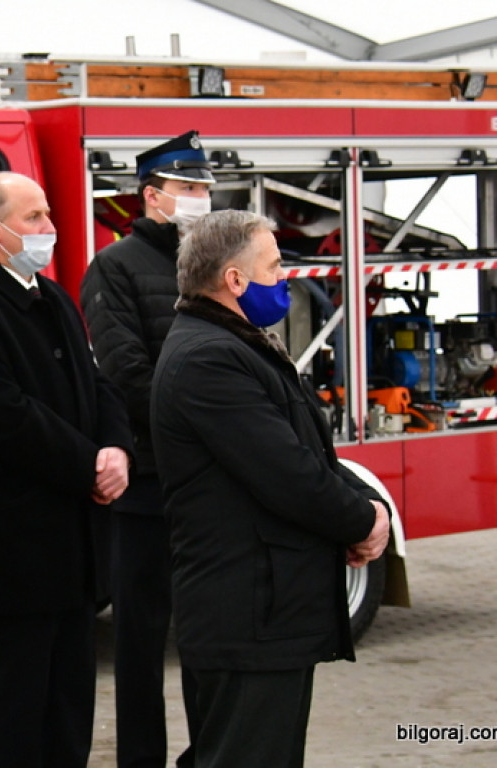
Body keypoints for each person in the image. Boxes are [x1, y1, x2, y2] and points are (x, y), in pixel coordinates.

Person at [150, 209, 391, 767]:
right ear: (234, 280)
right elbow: (288, 474)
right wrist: (364, 522)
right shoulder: (210, 357)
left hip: (266, 612)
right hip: (246, 614)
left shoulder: (239, 344)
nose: (285, 276)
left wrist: (363, 509)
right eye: (275, 265)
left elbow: (308, 453)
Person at [0, 171, 133, 768]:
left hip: (72, 546)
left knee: (69, 705)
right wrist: (88, 463)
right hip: (17, 548)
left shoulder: (52, 295)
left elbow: (96, 383)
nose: (51, 228)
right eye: (35, 218)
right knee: (20, 706)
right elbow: (6, 420)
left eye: (47, 214)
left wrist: (118, 447)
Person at [79, 129, 213, 768]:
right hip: (149, 487)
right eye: (189, 189)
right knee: (139, 644)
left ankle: (209, 753)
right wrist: (207, 425)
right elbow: (125, 371)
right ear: (152, 195)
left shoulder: (212, 266)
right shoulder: (116, 267)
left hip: (209, 484)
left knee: (211, 638)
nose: (200, 200)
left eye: (206, 190)